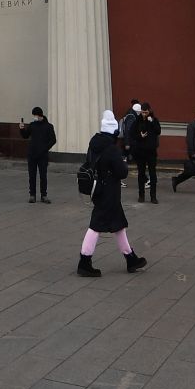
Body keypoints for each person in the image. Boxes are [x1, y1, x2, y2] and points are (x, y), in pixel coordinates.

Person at [79, 109, 145, 276]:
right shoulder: (112, 149)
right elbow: (122, 173)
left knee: (118, 225)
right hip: (109, 192)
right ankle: (84, 262)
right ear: (114, 131)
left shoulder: (94, 143)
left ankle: (131, 258)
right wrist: (122, 163)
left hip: (98, 189)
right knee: (95, 226)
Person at [123, 101, 162, 203]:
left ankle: (153, 196)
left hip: (151, 152)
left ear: (149, 111)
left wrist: (152, 122)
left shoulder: (154, 120)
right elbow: (131, 134)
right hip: (140, 152)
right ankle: (141, 196)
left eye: (146, 112)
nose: (144, 114)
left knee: (153, 174)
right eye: (142, 112)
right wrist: (140, 136)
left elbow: (158, 131)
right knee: (141, 174)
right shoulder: (137, 121)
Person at [19, 107, 56, 203]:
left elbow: (53, 140)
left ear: (40, 115)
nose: (34, 117)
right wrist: (22, 129)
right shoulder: (32, 125)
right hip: (32, 154)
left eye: (35, 115)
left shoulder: (48, 126)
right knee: (32, 175)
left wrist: (44, 148)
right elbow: (25, 136)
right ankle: (32, 195)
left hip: (42, 156)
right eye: (33, 115)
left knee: (43, 176)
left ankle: (44, 195)